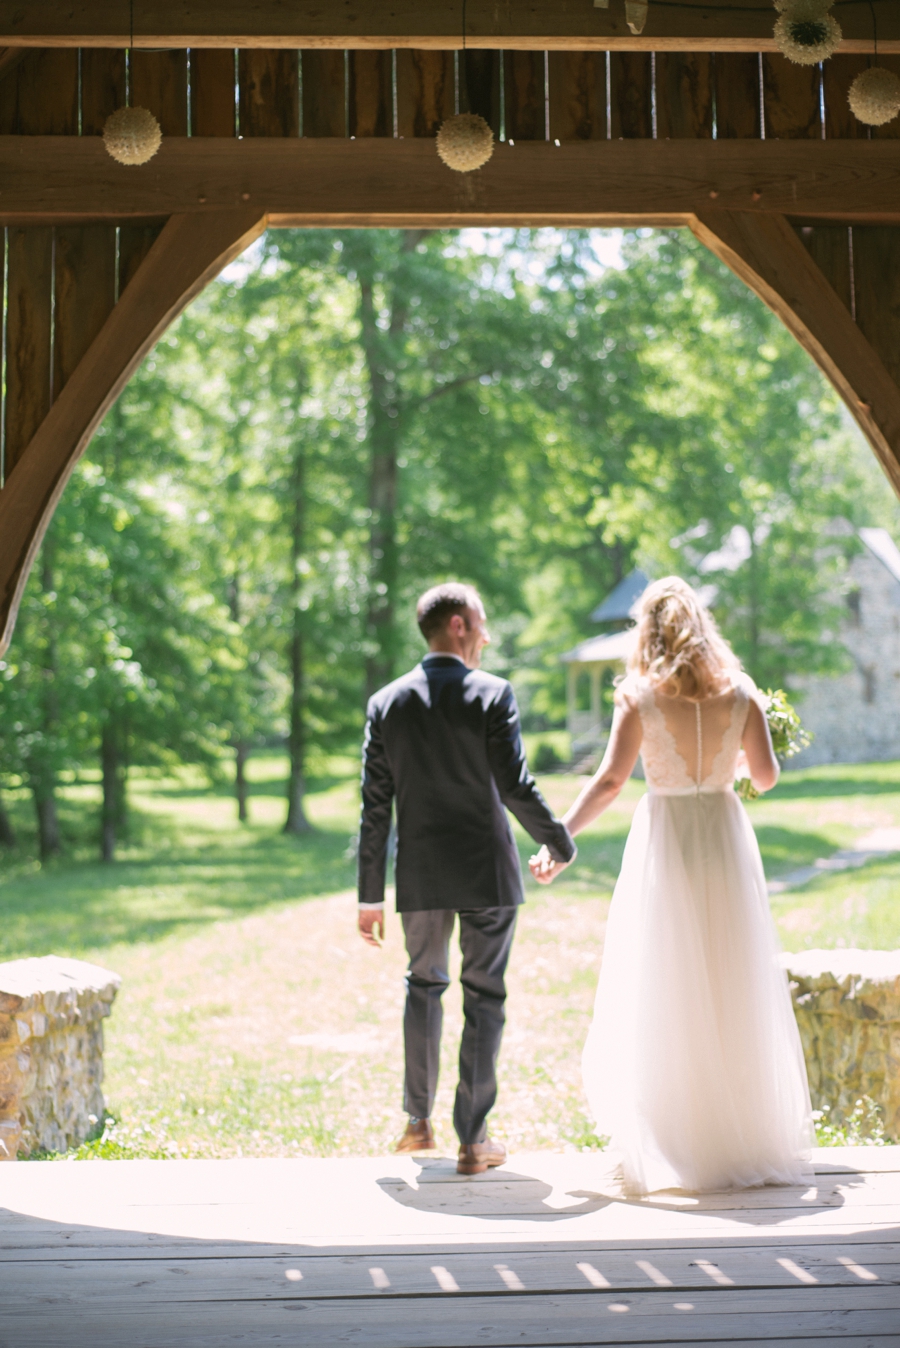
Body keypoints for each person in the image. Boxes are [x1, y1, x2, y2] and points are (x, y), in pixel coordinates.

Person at [531, 576, 813, 1195]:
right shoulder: (741, 694)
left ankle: (673, 1140)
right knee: (727, 978)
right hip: (722, 837)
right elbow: (765, 779)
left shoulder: (639, 695)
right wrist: (734, 760)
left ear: (648, 632)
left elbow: (609, 782)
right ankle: (735, 1136)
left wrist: (560, 840)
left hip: (665, 841)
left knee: (662, 981)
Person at [358, 582, 576, 1175]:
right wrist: (558, 840)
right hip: (486, 870)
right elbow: (514, 785)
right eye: (480, 622)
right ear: (457, 625)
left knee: (422, 985)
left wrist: (369, 895)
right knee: (484, 996)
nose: (486, 634)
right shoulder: (492, 693)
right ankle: (474, 1140)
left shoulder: (386, 702)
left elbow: (375, 807)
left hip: (422, 873)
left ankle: (417, 1122)